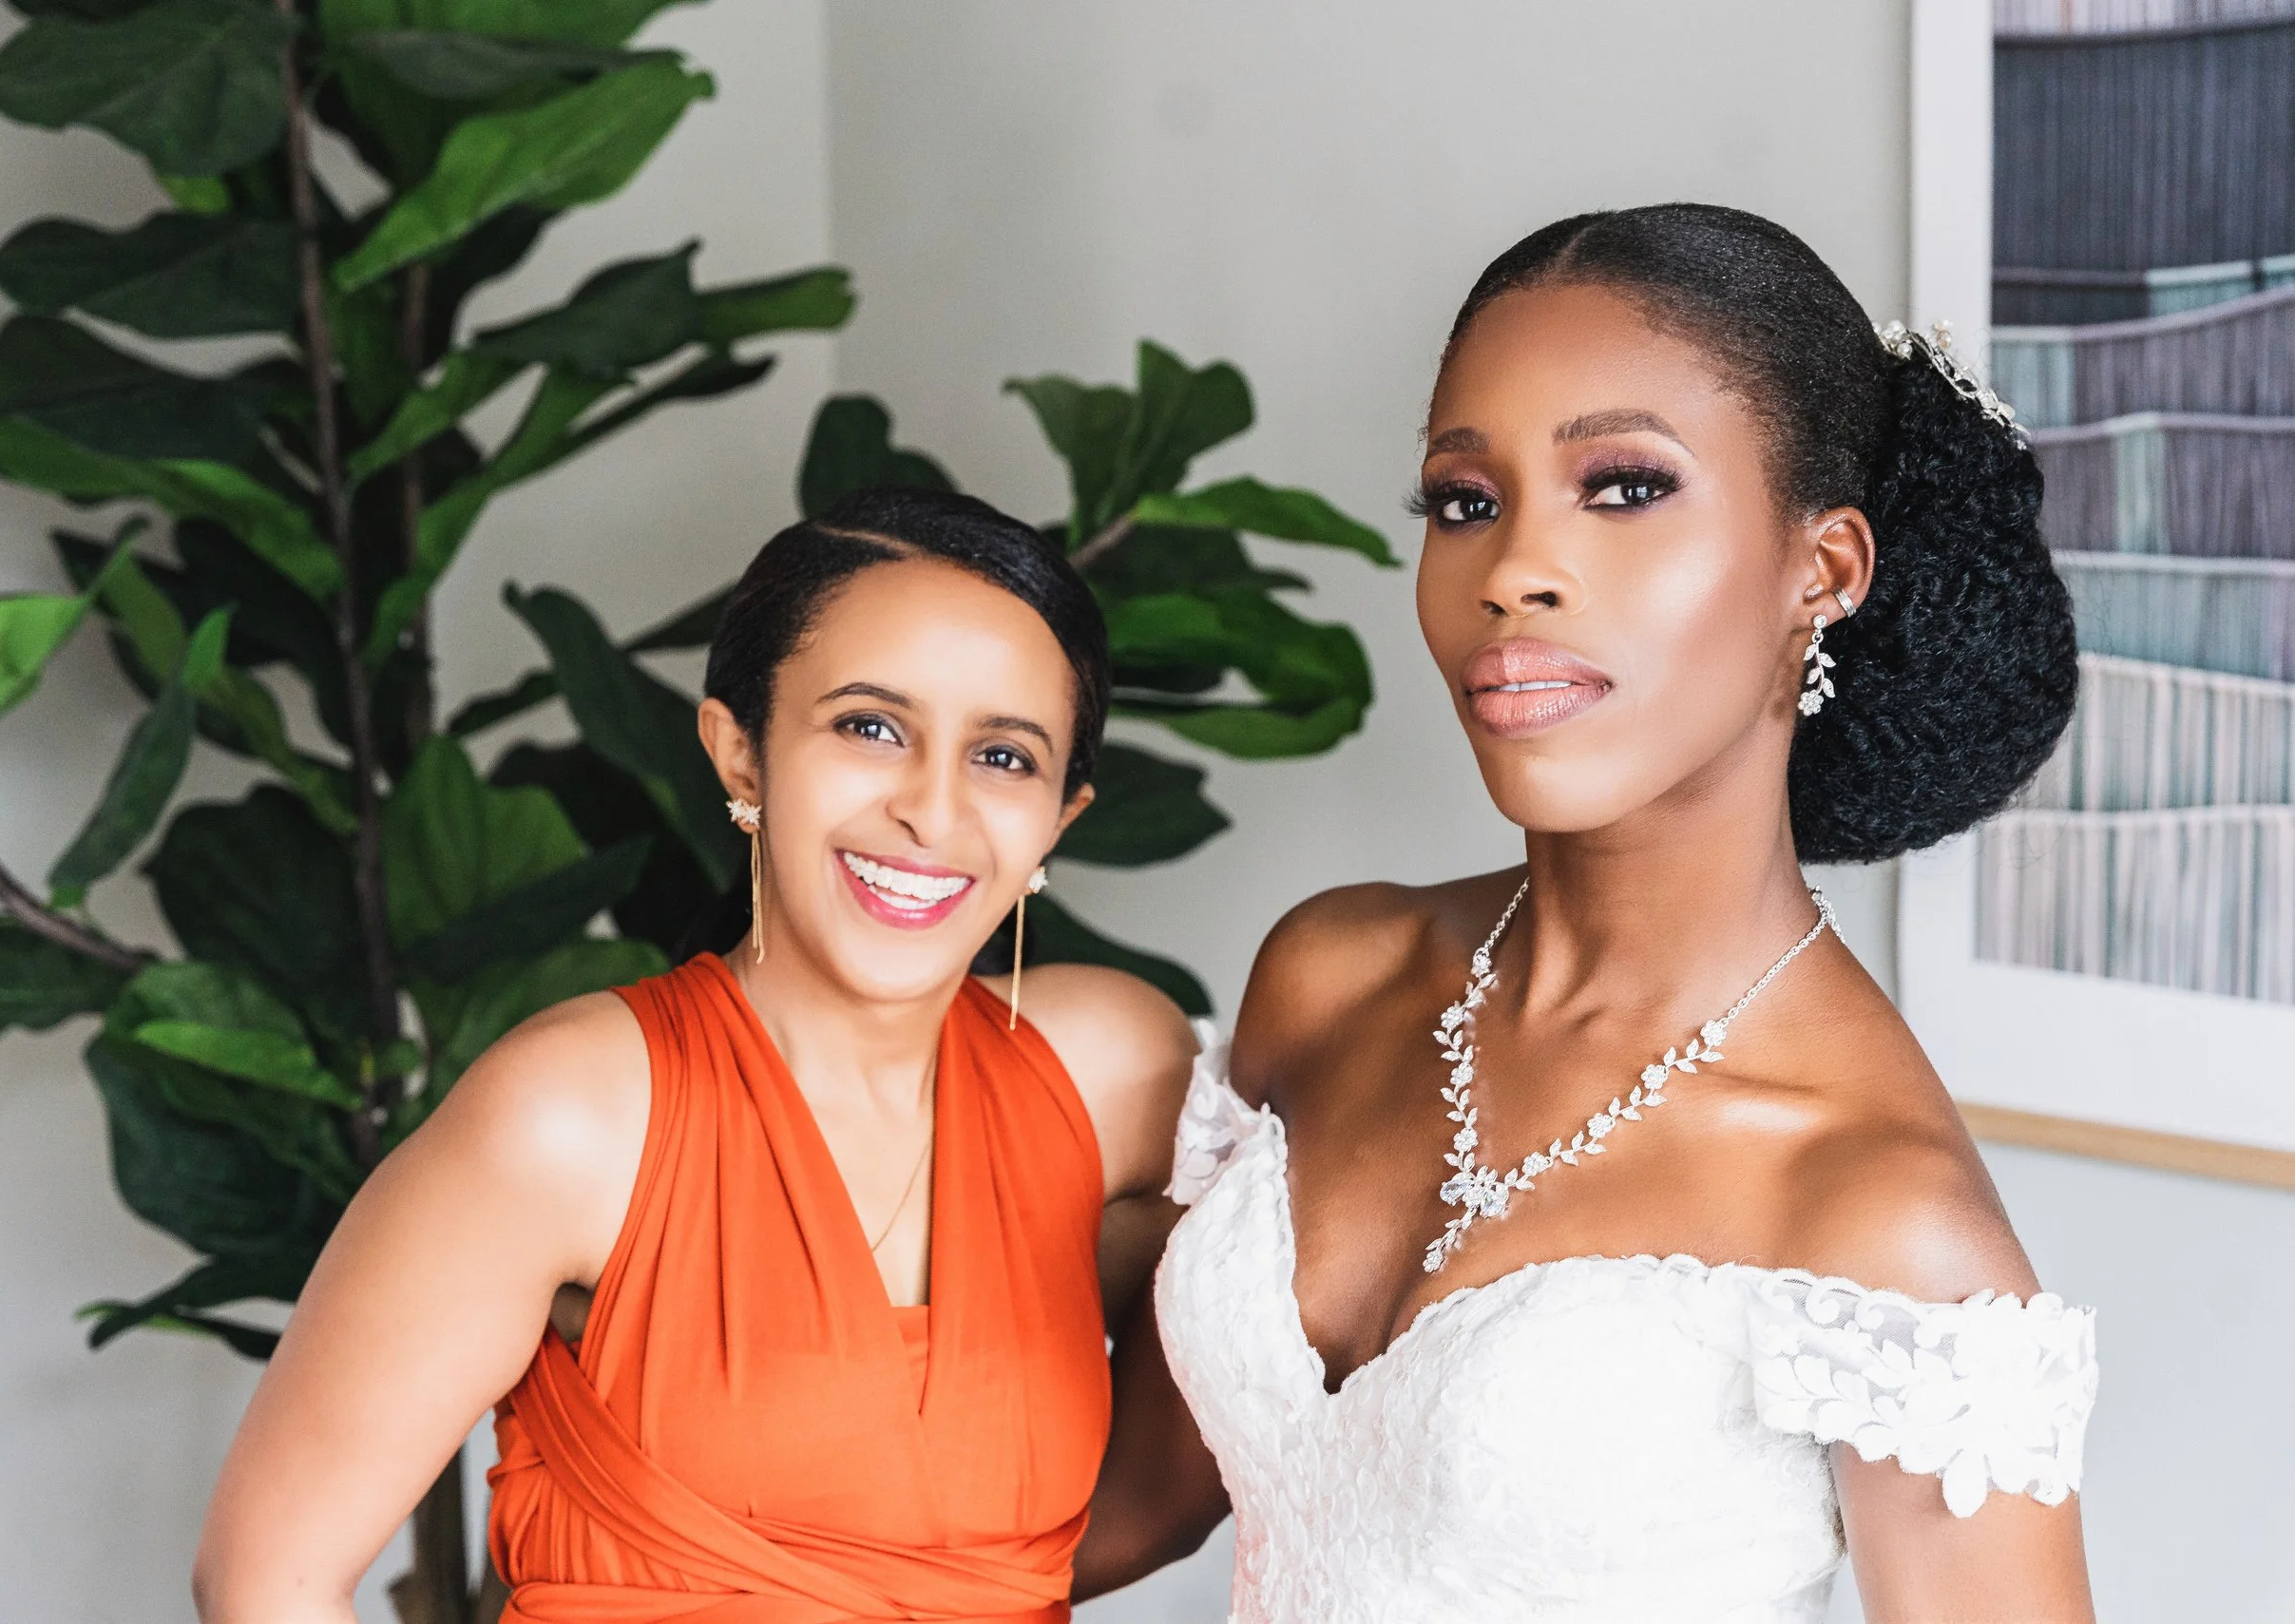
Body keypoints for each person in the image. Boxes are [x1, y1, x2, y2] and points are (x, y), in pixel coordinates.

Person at [1074, 205, 2099, 1622]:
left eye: (1622, 487)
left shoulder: (1878, 1209)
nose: (1511, 571)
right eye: (1464, 500)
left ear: (1823, 570)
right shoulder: (1333, 972)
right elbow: (1129, 1504)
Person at [195, 487, 1196, 1623]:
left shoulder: (1116, 1072)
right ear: (740, 754)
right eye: (870, 727)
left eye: (1003, 755)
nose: (932, 808)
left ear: (1059, 816)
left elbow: (1194, 1448)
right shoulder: (571, 1113)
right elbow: (265, 1579)